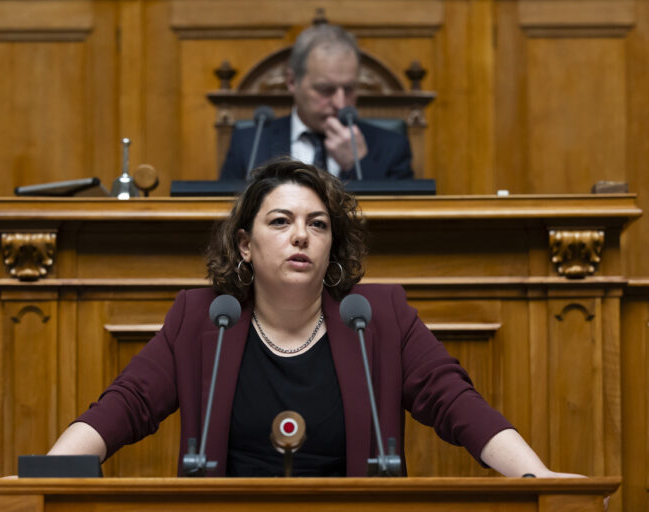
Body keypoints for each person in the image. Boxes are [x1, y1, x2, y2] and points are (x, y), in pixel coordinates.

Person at [49, 158, 583, 480]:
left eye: (318, 224)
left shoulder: (378, 319)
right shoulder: (203, 320)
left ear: (332, 246)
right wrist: (47, 477)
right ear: (245, 244)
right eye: (280, 221)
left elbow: (458, 405)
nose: (300, 236)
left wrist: (541, 479)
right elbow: (125, 405)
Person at [219, 24, 413, 181]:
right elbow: (228, 218)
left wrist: (359, 163)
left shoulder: (392, 147)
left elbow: (399, 224)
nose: (340, 103)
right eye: (325, 90)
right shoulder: (249, 144)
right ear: (292, 82)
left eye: (349, 89)